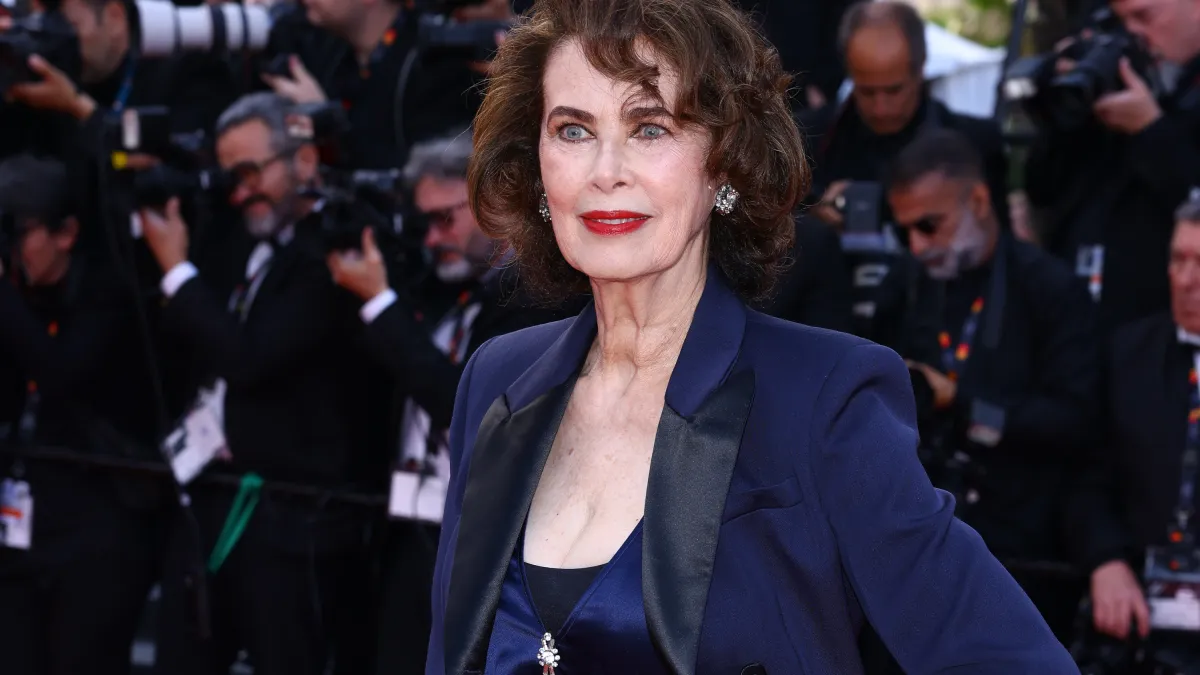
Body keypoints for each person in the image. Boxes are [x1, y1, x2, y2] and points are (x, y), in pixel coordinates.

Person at [426, 0, 1077, 673]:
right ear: (537, 167)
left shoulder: (823, 400)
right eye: (572, 130)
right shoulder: (496, 381)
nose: (604, 170)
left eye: (650, 128)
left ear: (724, 167)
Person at [326, 130, 577, 675]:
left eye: (448, 218)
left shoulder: (537, 298)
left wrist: (381, 305)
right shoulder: (444, 292)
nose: (434, 237)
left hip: (490, 548)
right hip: (412, 530)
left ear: (496, 206)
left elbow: (468, 408)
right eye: (425, 222)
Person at [141, 92, 368, 675]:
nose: (238, 190)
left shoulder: (334, 252)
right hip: (217, 502)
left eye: (248, 171)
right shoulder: (245, 242)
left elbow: (251, 357)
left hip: (293, 524)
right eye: (228, 176)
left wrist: (177, 271)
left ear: (306, 163)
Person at [886, 129, 1099, 643]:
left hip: (1025, 557)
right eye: (905, 231)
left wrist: (962, 404)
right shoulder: (907, 285)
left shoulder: (1050, 290)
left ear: (979, 200)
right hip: (922, 543)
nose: (917, 246)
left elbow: (1076, 422)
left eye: (930, 226)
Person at [0, 154, 160, 675]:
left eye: (16, 234)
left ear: (65, 233)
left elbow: (62, 376)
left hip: (98, 530)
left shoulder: (108, 294)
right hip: (21, 526)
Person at [1066, 194, 1200, 663]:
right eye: (1178, 259)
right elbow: (1087, 475)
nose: (1186, 281)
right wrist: (1106, 560)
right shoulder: (1129, 354)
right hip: (1139, 613)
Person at [1024, 0, 1200, 332]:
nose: (1132, 33)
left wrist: (1150, 130)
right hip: (1079, 325)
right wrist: (1064, 107)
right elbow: (1041, 188)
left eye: (1144, 16)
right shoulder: (1108, 80)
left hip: (1165, 339)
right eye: (1119, 21)